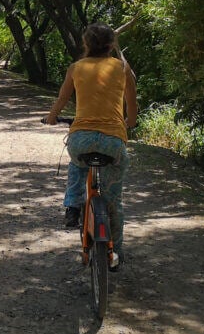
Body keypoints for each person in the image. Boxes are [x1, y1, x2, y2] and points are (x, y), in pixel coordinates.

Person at [44, 23, 136, 271]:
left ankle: (72, 206)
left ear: (85, 44)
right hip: (113, 141)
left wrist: (52, 117)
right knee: (113, 201)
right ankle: (116, 252)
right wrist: (130, 122)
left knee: (77, 164)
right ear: (111, 45)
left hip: (81, 138)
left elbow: (62, 99)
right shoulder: (122, 67)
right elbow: (131, 101)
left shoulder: (76, 68)